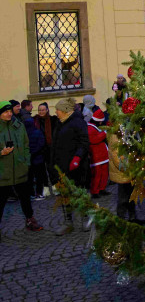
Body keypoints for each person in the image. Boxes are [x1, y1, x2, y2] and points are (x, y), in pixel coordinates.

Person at [0, 101, 43, 235]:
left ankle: (30, 220)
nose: (9, 114)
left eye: (10, 111)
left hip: (20, 169)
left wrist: (26, 162)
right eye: (5, 112)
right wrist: (1, 153)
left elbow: (26, 145)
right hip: (3, 172)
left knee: (25, 198)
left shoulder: (19, 126)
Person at [50, 97, 90, 235]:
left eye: (58, 110)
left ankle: (85, 219)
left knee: (79, 193)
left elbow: (84, 142)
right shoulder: (59, 123)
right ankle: (68, 223)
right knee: (64, 195)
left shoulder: (78, 122)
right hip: (61, 166)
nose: (56, 112)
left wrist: (77, 158)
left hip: (76, 167)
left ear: (65, 110)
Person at [108, 131, 145, 225]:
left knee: (131, 196)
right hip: (124, 173)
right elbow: (116, 156)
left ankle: (132, 217)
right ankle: (120, 221)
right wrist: (128, 168)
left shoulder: (127, 132)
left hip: (130, 170)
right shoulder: (116, 135)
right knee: (123, 198)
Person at [34, 102, 58, 196]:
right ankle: (46, 188)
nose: (41, 112)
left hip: (50, 148)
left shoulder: (53, 120)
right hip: (39, 149)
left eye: (43, 110)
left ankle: (55, 186)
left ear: (47, 110)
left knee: (52, 168)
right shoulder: (35, 120)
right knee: (41, 170)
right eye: (39, 110)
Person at [88, 108, 110, 198]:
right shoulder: (90, 128)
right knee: (97, 174)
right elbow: (94, 139)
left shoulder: (94, 127)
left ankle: (102, 188)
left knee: (104, 173)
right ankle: (95, 191)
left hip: (102, 156)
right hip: (96, 156)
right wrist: (105, 133)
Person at [25, 114, 46, 200]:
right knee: (39, 177)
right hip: (38, 158)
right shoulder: (38, 132)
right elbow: (41, 144)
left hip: (28, 159)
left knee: (29, 178)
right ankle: (39, 193)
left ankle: (31, 193)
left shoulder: (24, 134)